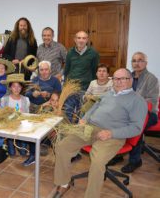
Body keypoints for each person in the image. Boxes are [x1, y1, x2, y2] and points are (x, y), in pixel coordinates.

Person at [52, 68, 147, 198]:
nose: (118, 82)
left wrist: (111, 133)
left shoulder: (137, 100)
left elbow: (136, 128)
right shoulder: (109, 93)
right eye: (115, 78)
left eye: (122, 78)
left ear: (130, 80)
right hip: (90, 128)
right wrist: (85, 118)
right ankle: (63, 183)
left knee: (97, 162)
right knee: (62, 146)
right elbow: (96, 106)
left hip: (113, 135)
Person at [109, 52, 159, 173]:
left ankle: (135, 160)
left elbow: (151, 101)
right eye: (134, 61)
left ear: (145, 63)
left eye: (140, 60)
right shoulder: (127, 76)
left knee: (134, 126)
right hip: (126, 112)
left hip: (148, 113)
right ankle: (118, 154)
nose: (137, 63)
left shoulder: (151, 79)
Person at [25, 60, 61, 165]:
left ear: (50, 70)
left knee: (46, 117)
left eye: (46, 69)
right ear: (38, 71)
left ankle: (44, 143)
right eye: (41, 70)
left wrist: (49, 96)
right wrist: (33, 94)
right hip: (34, 107)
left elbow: (59, 95)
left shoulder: (55, 81)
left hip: (49, 107)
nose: (44, 72)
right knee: (31, 121)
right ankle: (36, 143)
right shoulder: (35, 80)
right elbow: (27, 93)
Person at [63, 31, 100, 123]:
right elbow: (66, 70)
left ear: (87, 40)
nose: (81, 40)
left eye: (84, 38)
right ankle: (68, 131)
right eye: (79, 38)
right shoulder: (70, 52)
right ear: (75, 40)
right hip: (70, 88)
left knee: (82, 113)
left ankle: (78, 133)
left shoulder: (93, 53)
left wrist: (92, 88)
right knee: (67, 111)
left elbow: (95, 70)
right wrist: (65, 86)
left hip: (85, 88)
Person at [0, 73, 30, 159]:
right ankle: (11, 143)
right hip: (10, 128)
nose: (16, 89)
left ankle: (20, 144)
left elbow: (27, 115)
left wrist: (22, 115)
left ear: (22, 87)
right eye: (14, 86)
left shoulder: (26, 100)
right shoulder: (4, 100)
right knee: (12, 154)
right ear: (10, 87)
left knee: (23, 153)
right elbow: (2, 115)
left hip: (22, 127)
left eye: (19, 86)